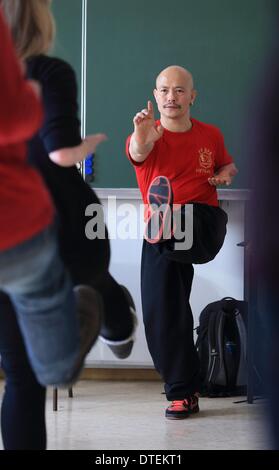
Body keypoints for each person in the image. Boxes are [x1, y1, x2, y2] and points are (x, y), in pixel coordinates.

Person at [0, 0, 136, 450]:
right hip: (52, 221)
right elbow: (60, 150)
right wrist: (87, 145)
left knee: (20, 374)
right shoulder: (48, 71)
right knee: (90, 272)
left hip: (20, 235)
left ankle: (113, 317)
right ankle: (115, 318)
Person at [126, 65, 238, 419]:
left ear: (192, 96)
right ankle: (183, 392)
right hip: (167, 234)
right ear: (156, 95)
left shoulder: (211, 134)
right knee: (164, 311)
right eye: (164, 90)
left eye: (178, 90)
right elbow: (138, 152)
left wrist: (224, 174)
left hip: (204, 225)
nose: (171, 97)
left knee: (177, 220)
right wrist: (143, 137)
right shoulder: (147, 135)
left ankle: (168, 218)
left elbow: (228, 165)